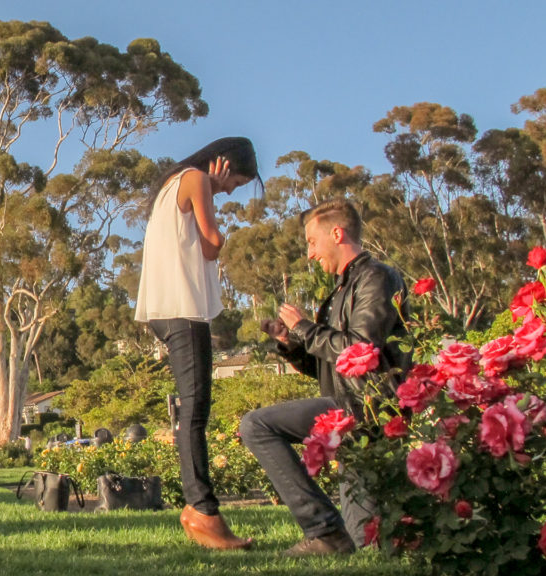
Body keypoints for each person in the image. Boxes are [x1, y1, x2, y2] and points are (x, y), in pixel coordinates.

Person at [239, 199, 409, 556]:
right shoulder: (339, 293)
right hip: (346, 408)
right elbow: (329, 365)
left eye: (312, 242)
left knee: (256, 425)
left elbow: (360, 349)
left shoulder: (377, 277)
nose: (311, 254)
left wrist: (303, 327)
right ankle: (334, 534)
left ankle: (324, 530)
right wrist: (290, 343)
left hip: (367, 407)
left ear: (337, 233)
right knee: (367, 545)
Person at [135, 137, 261, 550]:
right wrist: (216, 193)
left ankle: (200, 509)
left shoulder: (174, 183)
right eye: (236, 183)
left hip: (166, 310)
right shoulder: (196, 180)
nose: (231, 189)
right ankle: (202, 511)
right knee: (195, 412)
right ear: (223, 165)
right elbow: (213, 245)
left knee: (194, 410)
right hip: (183, 309)